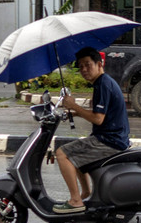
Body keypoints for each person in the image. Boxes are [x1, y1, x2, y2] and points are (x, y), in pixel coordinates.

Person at [52, 47, 130, 214]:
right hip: (112, 137)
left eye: (88, 65)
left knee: (62, 153)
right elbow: (99, 115)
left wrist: (74, 105)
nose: (84, 70)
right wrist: (74, 112)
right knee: (77, 151)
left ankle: (75, 200)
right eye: (80, 67)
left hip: (109, 141)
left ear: (99, 64)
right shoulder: (103, 82)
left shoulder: (103, 84)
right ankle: (86, 192)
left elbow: (98, 119)